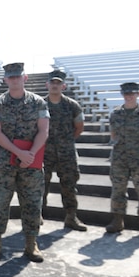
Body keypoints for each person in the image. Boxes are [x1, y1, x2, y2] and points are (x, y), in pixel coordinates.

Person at [0, 62, 50, 262]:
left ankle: (31, 244)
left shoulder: (38, 103)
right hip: (5, 162)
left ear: (25, 78)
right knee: (0, 203)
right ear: (5, 80)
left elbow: (43, 131)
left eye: (18, 76)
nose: (14, 80)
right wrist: (19, 153)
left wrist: (29, 153)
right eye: (11, 77)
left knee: (32, 203)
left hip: (31, 162)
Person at [105, 82, 139, 236]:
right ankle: (117, 221)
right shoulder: (115, 114)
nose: (129, 96)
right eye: (126, 93)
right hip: (120, 158)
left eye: (132, 93)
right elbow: (113, 135)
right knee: (118, 190)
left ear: (138, 94)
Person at [42, 70, 87, 231]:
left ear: (63, 86)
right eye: (52, 83)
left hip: (66, 152)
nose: (55, 85)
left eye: (58, 83)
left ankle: (71, 217)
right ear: (47, 84)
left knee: (69, 185)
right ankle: (37, 216)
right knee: (40, 185)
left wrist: (66, 141)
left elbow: (79, 127)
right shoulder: (39, 104)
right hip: (44, 152)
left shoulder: (72, 105)